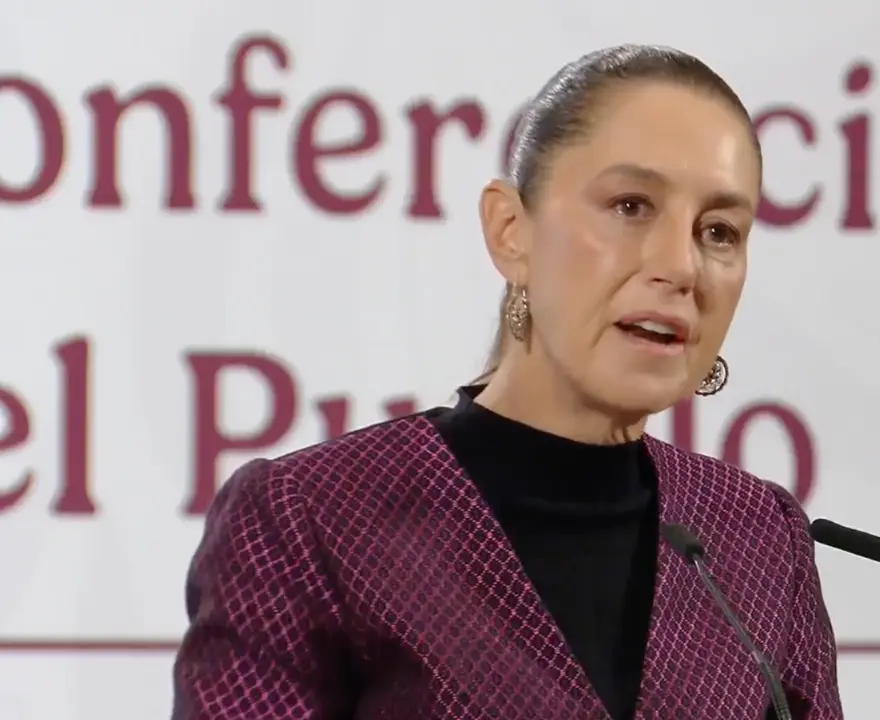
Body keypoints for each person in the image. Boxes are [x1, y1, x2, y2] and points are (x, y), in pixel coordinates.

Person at [172, 44, 842, 720]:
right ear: (510, 230)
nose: (682, 264)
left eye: (720, 232)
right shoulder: (311, 518)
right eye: (632, 205)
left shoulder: (762, 540)